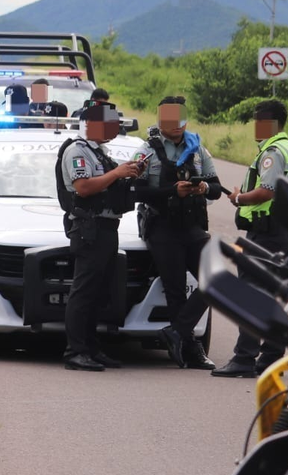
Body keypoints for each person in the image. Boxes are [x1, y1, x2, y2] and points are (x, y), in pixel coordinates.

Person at [212, 99, 288, 378]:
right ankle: (271, 356)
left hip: (268, 231)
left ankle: (244, 358)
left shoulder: (273, 152)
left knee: (251, 292)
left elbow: (266, 191)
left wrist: (239, 198)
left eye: (260, 120)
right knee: (272, 292)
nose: (256, 125)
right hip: (283, 231)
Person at [134, 96, 220, 370]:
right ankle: (189, 349)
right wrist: (173, 191)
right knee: (175, 291)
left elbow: (217, 187)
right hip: (161, 226)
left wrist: (203, 188)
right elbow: (136, 190)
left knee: (216, 281)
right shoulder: (146, 151)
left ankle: (175, 332)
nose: (177, 125)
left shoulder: (198, 149)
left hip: (192, 225)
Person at [59, 101, 142, 371]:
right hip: (89, 229)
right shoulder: (77, 151)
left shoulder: (100, 153)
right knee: (83, 292)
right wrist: (117, 173)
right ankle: (75, 351)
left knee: (99, 292)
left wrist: (128, 171)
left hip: (107, 228)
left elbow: (108, 181)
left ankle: (92, 348)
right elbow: (83, 187)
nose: (114, 127)